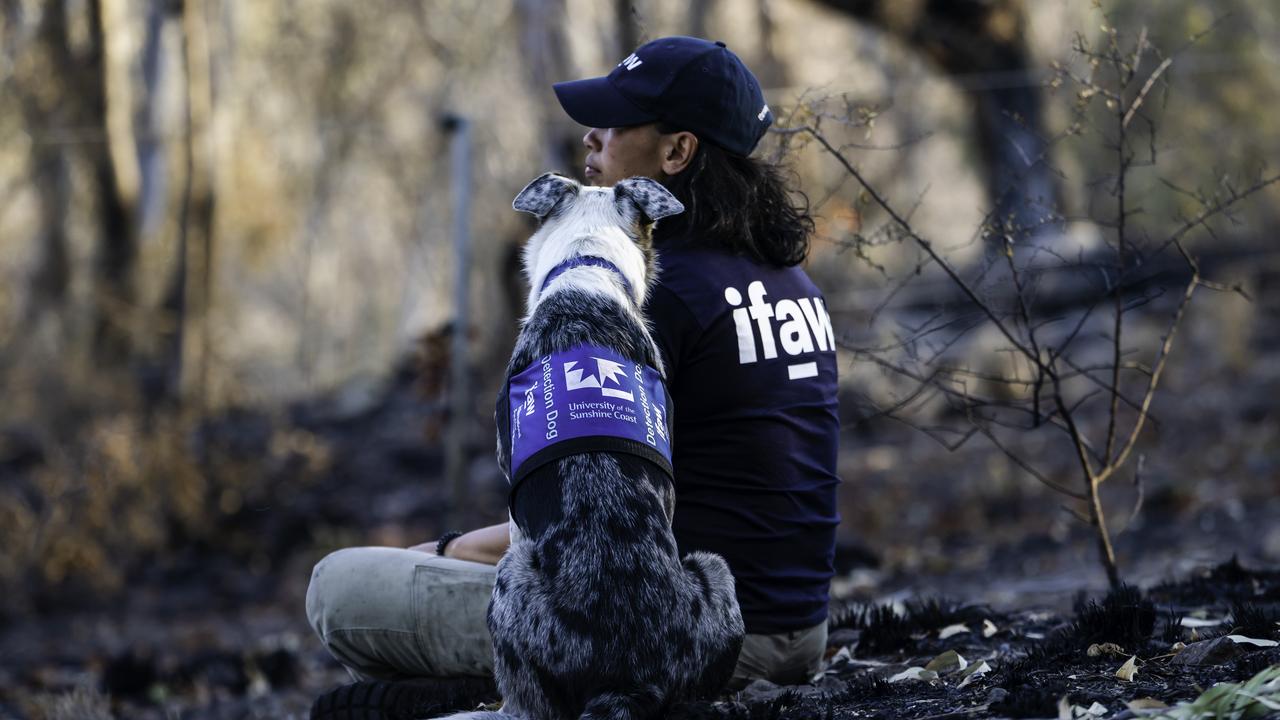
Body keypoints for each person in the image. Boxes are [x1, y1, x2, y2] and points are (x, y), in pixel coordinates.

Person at [306, 36, 840, 718]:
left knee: (342, 589)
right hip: (795, 628)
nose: (590, 138)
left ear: (677, 153)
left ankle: (501, 698)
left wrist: (447, 548)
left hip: (682, 639)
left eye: (616, 124)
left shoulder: (644, 300)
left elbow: (581, 514)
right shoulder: (791, 282)